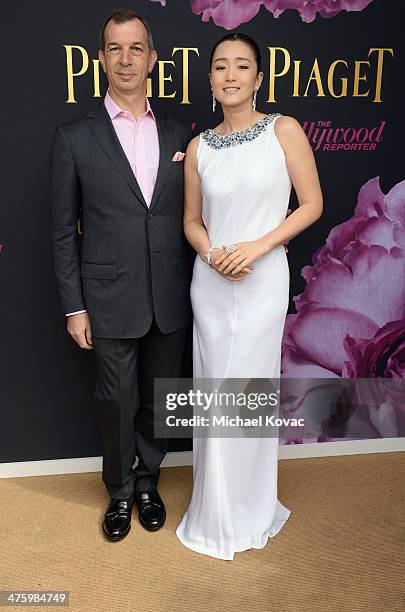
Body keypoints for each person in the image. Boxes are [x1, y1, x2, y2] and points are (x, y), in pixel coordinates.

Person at [176, 33, 323, 560]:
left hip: (263, 279)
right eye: (220, 66)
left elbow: (311, 205)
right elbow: (192, 223)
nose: (231, 74)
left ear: (259, 78)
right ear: (210, 79)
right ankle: (214, 512)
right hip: (212, 283)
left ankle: (253, 508)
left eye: (242, 66)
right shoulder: (198, 148)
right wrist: (213, 253)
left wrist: (258, 247)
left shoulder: (284, 130)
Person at [51, 10, 193, 541]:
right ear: (102, 59)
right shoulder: (73, 136)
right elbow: (64, 230)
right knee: (117, 398)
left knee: (160, 396)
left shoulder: (183, 132)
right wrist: (74, 306)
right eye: (115, 48)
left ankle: (149, 482)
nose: (126, 58)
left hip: (171, 293)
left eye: (137, 48)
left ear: (153, 58)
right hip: (106, 295)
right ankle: (119, 490)